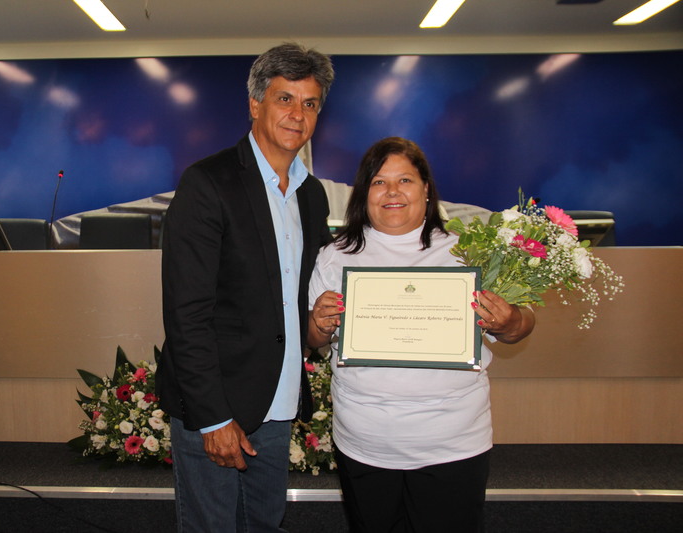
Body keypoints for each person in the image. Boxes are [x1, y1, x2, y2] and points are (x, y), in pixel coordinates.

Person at [308, 137, 535, 533]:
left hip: (451, 442)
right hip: (365, 443)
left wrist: (509, 320)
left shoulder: (468, 252)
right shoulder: (335, 256)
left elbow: (521, 325)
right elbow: (312, 341)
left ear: (426, 189)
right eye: (379, 182)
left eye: (405, 181)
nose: (392, 192)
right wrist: (320, 323)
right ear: (364, 192)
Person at [156, 43, 335, 532]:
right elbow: (186, 312)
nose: (298, 115)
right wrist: (213, 419)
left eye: (311, 103)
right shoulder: (207, 183)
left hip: (278, 403)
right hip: (217, 409)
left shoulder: (312, 194)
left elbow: (312, 289)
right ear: (255, 104)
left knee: (265, 523)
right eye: (285, 99)